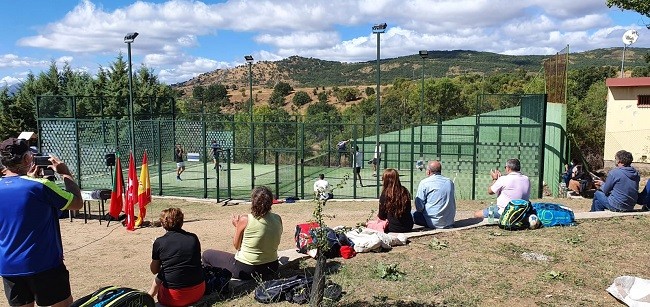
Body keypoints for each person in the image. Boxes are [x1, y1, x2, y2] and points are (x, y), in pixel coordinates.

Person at [0, 137, 83, 307]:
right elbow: (77, 203)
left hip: (9, 267)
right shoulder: (40, 186)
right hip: (44, 264)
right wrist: (66, 173)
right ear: (27, 159)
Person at [202, 186, 282, 280]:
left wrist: (237, 226)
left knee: (206, 255)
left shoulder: (245, 219)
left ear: (253, 201)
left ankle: (214, 281)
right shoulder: (278, 218)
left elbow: (237, 246)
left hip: (247, 269)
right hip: (272, 267)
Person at [148, 208, 205, 307]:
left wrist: (157, 249)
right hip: (198, 291)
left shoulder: (160, 242)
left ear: (162, 223)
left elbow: (154, 270)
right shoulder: (193, 238)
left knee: (164, 271)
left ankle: (149, 296)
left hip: (174, 298)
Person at [412, 161, 456, 229]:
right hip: (448, 222)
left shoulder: (424, 183)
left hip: (431, 222)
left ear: (428, 171)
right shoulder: (449, 182)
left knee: (409, 214)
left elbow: (419, 207)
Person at [378, 169, 414, 233]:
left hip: (392, 227)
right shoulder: (405, 191)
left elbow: (382, 215)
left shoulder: (385, 194)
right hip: (408, 226)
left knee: (373, 224)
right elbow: (408, 209)